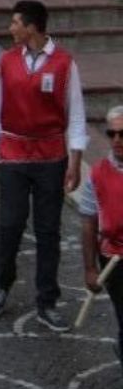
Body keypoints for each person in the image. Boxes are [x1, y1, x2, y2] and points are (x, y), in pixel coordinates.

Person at [0, 0, 86, 328]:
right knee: (11, 225)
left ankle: (47, 299)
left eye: (15, 23)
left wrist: (75, 161)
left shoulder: (64, 64)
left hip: (50, 158)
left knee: (48, 231)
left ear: (32, 27)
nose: (10, 28)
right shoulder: (8, 62)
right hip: (12, 155)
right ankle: (2, 284)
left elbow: (77, 116)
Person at [78, 106, 123, 374]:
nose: (117, 139)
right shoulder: (97, 174)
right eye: (111, 134)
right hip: (114, 259)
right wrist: (90, 268)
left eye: (122, 133)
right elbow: (88, 222)